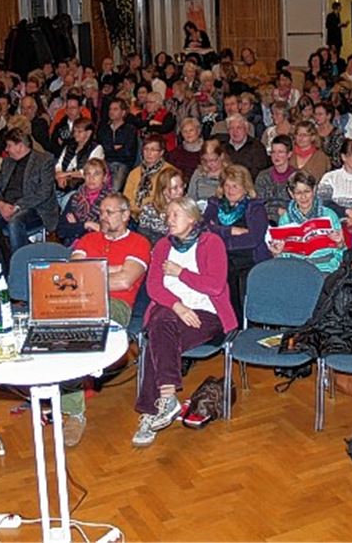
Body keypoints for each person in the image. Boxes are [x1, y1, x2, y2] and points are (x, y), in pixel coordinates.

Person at [133, 198, 234, 447]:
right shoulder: (163, 246)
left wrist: (181, 273)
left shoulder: (212, 243)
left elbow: (215, 285)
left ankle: (151, 411)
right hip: (173, 311)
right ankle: (166, 399)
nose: (169, 220)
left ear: (192, 219)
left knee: (158, 335)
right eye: (168, 215)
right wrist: (178, 306)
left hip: (206, 313)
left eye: (175, 215)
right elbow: (153, 286)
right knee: (161, 326)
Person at [62, 192, 151, 446]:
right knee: (55, 328)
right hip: (78, 302)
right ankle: (56, 386)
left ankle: (74, 413)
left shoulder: (139, 243)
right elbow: (73, 273)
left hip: (116, 305)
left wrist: (93, 270)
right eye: (101, 212)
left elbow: (125, 281)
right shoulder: (88, 239)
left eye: (109, 212)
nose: (103, 217)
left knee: (78, 332)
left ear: (125, 215)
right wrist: (112, 268)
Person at [202, 165, 269, 320]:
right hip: (219, 258)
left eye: (235, 186)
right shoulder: (215, 205)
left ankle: (240, 325)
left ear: (245, 188)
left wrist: (218, 235)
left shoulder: (255, 207)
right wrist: (229, 231)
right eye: (226, 185)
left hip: (248, 260)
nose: (230, 190)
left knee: (236, 278)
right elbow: (204, 230)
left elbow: (253, 239)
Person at [0, 128, 58, 255]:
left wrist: (17, 206)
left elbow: (44, 192)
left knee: (16, 221)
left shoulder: (44, 160)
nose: (6, 149)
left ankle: (19, 264)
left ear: (20, 146)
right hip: (6, 206)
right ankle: (0, 264)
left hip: (35, 209)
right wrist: (1, 204)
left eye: (9, 146)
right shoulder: (7, 163)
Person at [269, 170, 344, 274]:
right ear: (291, 194)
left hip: (325, 268)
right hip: (297, 269)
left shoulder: (329, 215)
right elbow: (283, 256)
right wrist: (277, 253)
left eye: (307, 191)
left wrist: (339, 244)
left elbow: (341, 252)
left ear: (314, 190)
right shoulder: (286, 219)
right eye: (298, 193)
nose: (303, 197)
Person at [56, 158, 113, 246]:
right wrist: (86, 225)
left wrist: (76, 226)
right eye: (88, 174)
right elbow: (61, 231)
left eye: (96, 174)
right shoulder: (75, 198)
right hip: (75, 245)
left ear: (104, 177)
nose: (91, 178)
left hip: (102, 247)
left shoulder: (112, 200)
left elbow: (111, 233)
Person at [123, 134, 173, 218]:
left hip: (157, 215)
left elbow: (164, 200)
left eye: (153, 150)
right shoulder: (134, 173)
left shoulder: (169, 172)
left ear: (161, 152)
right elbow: (126, 198)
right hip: (132, 215)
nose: (148, 153)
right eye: (146, 149)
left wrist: (143, 210)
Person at [98, 98, 138, 192]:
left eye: (115, 109)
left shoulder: (130, 130)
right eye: (110, 109)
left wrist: (109, 149)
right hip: (105, 163)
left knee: (114, 189)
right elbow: (100, 148)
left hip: (122, 164)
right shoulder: (104, 129)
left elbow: (128, 153)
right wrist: (114, 148)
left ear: (123, 112)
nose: (111, 112)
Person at [137, 166, 186, 244]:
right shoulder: (149, 211)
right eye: (175, 188)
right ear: (164, 190)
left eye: (182, 186)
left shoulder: (187, 209)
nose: (180, 191)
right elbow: (143, 240)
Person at [224, 114, 269, 178]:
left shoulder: (257, 147)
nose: (235, 132)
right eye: (231, 128)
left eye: (239, 128)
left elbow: (259, 173)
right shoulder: (223, 146)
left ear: (246, 129)